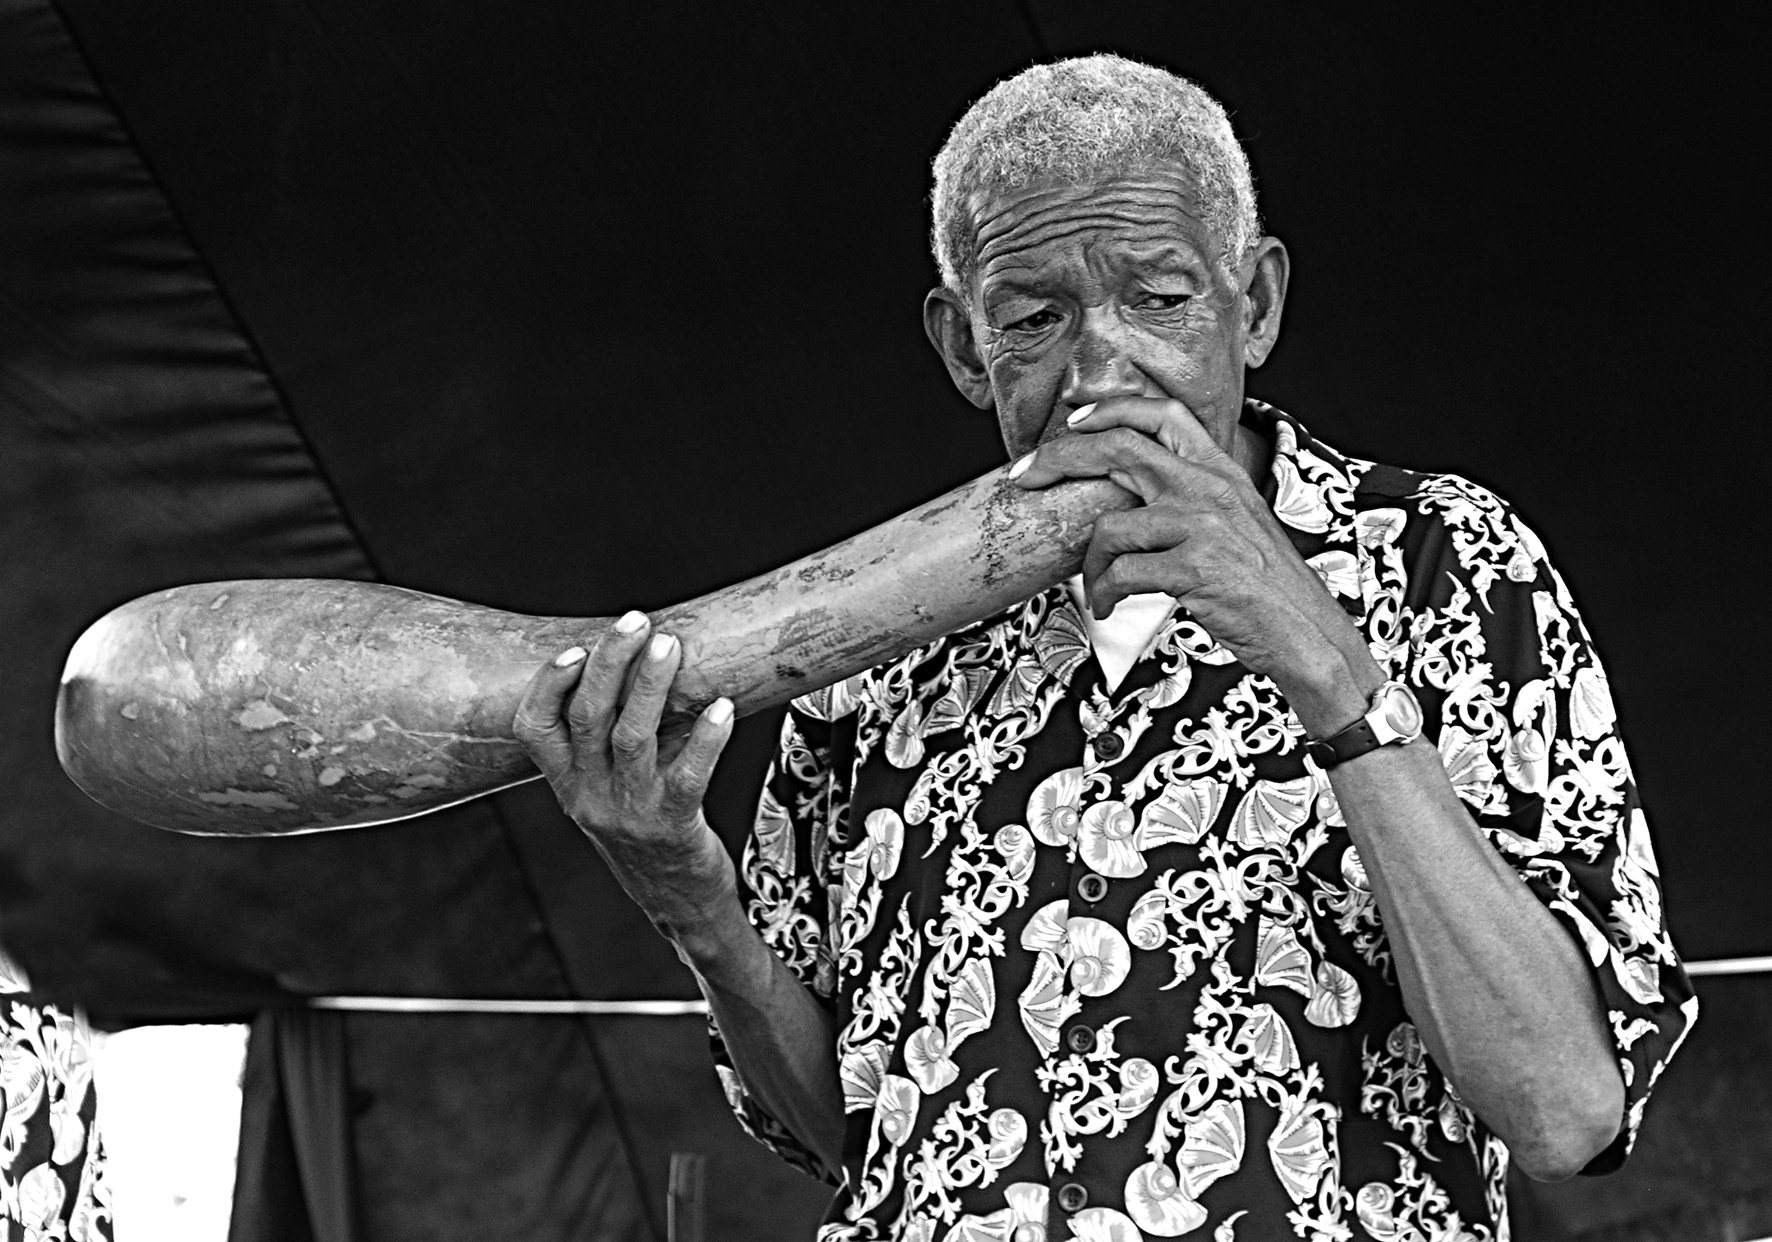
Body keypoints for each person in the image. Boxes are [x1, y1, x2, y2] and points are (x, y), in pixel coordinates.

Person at [514, 55, 1695, 1241]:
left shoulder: (1445, 563)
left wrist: (1326, 667)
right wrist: (694, 905)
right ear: (963, 348)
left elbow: (1565, 1114)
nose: (1099, 372)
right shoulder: (869, 639)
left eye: (1160, 299)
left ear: (1256, 304)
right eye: (1032, 319)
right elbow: (856, 1146)